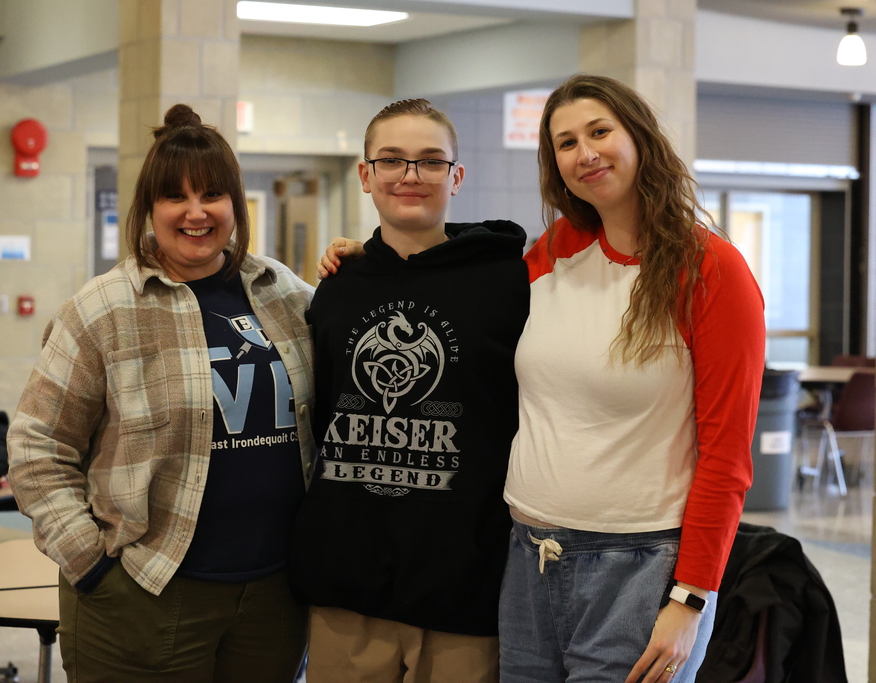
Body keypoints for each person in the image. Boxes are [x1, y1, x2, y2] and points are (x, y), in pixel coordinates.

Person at [318, 74, 765, 683]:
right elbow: (450, 272)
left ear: (640, 137)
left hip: (638, 564)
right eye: (565, 142)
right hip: (528, 558)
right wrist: (367, 259)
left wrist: (690, 598)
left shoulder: (710, 268)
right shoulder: (555, 252)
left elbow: (727, 456)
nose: (586, 153)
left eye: (600, 132)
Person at [7, 104, 316, 683]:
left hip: (274, 598)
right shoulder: (102, 310)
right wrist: (91, 565)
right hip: (143, 593)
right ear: (150, 208)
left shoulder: (285, 294)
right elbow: (36, 447)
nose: (196, 213)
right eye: (176, 197)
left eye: (213, 196)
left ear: (235, 205)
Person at [289, 98, 530, 682]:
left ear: (457, 176)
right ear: (366, 175)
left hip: (463, 589)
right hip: (346, 584)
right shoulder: (337, 288)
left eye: (430, 161)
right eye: (392, 160)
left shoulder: (509, 281)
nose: (411, 176)